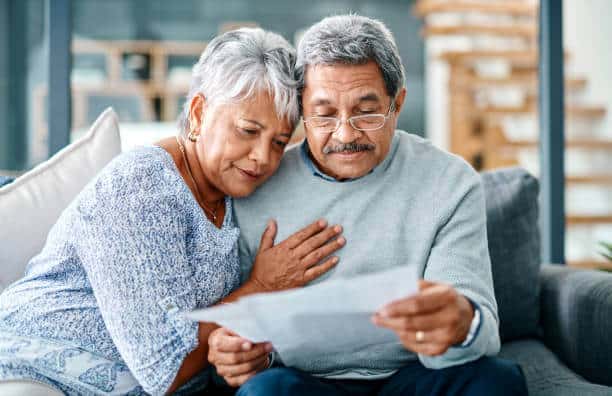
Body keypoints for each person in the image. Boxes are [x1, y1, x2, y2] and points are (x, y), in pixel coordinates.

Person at [0, 28, 345, 395]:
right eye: (247, 130)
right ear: (198, 113)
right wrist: (262, 286)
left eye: (278, 142)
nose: (263, 157)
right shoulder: (141, 187)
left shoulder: (229, 191)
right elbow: (164, 368)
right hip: (39, 371)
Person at [207, 15, 528, 396]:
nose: (345, 134)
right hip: (303, 383)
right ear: (300, 114)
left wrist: (462, 321)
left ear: (397, 104)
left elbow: (480, 330)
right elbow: (239, 337)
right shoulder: (256, 183)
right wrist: (242, 354)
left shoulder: (450, 182)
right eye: (324, 114)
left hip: (416, 374)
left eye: (366, 111)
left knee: (497, 381)